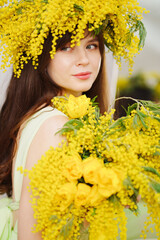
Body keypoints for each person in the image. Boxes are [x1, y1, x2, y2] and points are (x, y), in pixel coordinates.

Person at [0, 0, 157, 239]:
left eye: (91, 45)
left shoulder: (65, 117)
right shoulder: (54, 125)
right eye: (65, 48)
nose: (84, 59)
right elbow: (31, 234)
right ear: (39, 56)